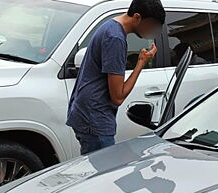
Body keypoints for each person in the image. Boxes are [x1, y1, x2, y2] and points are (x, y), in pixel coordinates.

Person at [67, 0, 166, 155]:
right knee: (102, 175)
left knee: (95, 172)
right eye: (151, 25)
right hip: (95, 119)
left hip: (87, 114)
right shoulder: (116, 38)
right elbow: (118, 97)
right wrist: (141, 63)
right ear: (138, 17)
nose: (152, 32)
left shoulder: (110, 26)